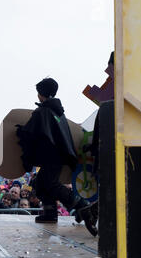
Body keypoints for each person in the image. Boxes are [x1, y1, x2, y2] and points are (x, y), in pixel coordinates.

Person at [15, 77, 97, 236]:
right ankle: (50, 212)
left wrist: (21, 132)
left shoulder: (44, 111)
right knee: (40, 183)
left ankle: (83, 207)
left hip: (50, 157)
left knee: (51, 184)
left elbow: (32, 134)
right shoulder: (57, 111)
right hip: (58, 156)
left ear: (40, 94)